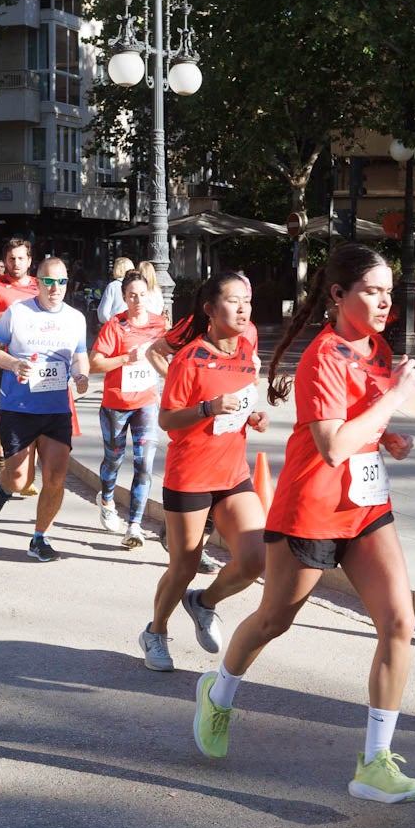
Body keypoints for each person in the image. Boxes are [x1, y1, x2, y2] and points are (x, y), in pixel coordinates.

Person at [191, 244, 415, 805]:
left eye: (389, 293)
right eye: (371, 291)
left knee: (400, 622)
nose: (383, 302)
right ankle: (218, 692)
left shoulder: (377, 348)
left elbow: (360, 427)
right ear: (339, 295)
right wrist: (395, 396)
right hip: (310, 509)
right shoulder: (324, 355)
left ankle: (374, 762)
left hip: (365, 508)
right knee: (274, 620)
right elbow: (331, 445)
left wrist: (388, 435)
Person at [135, 273, 270, 673]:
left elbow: (239, 407)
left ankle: (204, 602)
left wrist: (252, 416)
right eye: (233, 301)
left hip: (233, 474)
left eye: (247, 300)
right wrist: (208, 408)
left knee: (255, 560)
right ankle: (155, 631)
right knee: (184, 566)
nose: (243, 308)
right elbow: (167, 420)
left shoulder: (246, 349)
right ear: (210, 310)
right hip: (190, 476)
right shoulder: (188, 358)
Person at [0, 257, 90, 561]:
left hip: (56, 409)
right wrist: (13, 363)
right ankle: (4, 489)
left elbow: (80, 355)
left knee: (55, 478)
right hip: (20, 407)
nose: (56, 288)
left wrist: (82, 375)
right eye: (49, 281)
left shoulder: (75, 318)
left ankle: (39, 538)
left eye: (62, 282)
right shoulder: (17, 313)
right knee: (20, 480)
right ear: (37, 281)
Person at [88, 270, 169, 549]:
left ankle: (134, 526)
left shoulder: (159, 325)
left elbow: (172, 353)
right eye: (132, 296)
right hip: (116, 404)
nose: (138, 300)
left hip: (146, 402)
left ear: (149, 295)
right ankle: (107, 499)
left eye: (142, 295)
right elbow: (95, 363)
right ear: (124, 298)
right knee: (113, 458)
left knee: (144, 464)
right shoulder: (115, 326)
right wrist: (125, 358)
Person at [0, 238, 42, 490]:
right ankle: (0, 453)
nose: (16, 263)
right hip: (2, 362)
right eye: (11, 258)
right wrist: (8, 314)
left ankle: (25, 475)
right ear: (5, 261)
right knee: (7, 419)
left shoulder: (38, 285)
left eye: (21, 258)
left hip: (33, 363)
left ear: (29, 260)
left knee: (32, 418)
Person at [96, 256, 136, 323]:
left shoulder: (113, 286)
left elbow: (103, 313)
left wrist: (112, 324)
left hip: (117, 326)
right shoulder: (136, 284)